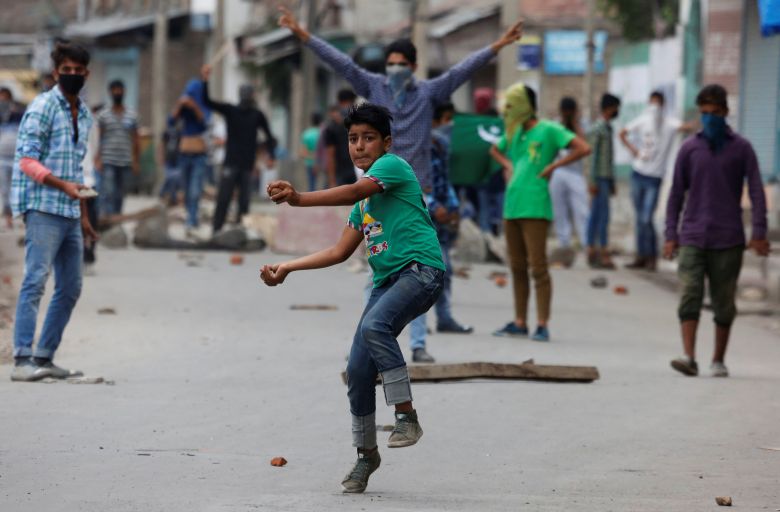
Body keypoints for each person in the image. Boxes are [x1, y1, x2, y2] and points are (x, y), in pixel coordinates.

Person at [260, 103, 445, 494]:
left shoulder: (393, 167)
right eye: (353, 139)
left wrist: (299, 198)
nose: (359, 146)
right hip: (387, 283)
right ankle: (366, 456)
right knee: (358, 371)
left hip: (421, 271)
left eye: (368, 138)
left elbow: (355, 188)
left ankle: (406, 415)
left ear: (386, 143)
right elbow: (338, 252)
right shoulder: (363, 207)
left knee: (377, 325)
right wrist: (288, 267)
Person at [278, 5, 523, 189]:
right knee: (382, 248)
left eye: (402, 64)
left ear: (414, 67)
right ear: (385, 66)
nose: (396, 69)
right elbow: (342, 64)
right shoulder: (374, 86)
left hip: (416, 186)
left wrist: (499, 45)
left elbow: (462, 70)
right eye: (391, 64)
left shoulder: (429, 93)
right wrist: (303, 35)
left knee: (418, 249)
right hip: (379, 182)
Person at [664, 84, 769, 378]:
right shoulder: (690, 149)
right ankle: (688, 355)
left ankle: (718, 359)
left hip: (728, 238)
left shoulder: (742, 149)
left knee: (723, 302)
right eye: (704, 113)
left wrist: (758, 232)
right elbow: (675, 195)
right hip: (693, 236)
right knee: (689, 295)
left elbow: (757, 192)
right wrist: (671, 235)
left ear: (725, 112)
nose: (709, 118)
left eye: (714, 113)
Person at [9, 41, 98, 381]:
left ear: (86, 74)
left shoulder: (85, 114)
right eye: (67, 71)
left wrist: (85, 217)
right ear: (55, 73)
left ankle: (44, 357)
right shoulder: (43, 107)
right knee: (35, 280)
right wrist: (62, 187)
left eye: (78, 71)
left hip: (71, 212)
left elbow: (77, 171)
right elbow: (27, 160)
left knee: (71, 286)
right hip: (43, 207)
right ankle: (22, 359)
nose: (73, 76)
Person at [489, 83, 590, 342]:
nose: (507, 111)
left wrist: (554, 165)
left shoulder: (549, 129)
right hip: (512, 205)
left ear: (524, 105)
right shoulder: (513, 132)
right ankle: (520, 321)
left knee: (538, 267)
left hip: (536, 205)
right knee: (517, 266)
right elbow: (494, 149)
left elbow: (583, 148)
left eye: (511, 106)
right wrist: (508, 165)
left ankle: (542, 324)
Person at [408, 102, 472, 362]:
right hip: (421, 220)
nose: (449, 127)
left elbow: (445, 181)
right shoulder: (415, 148)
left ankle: (442, 319)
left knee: (444, 270)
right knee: (423, 276)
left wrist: (453, 207)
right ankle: (414, 342)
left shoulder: (442, 147)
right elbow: (411, 184)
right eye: (446, 120)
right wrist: (433, 206)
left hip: (441, 221)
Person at [200, 64, 276, 233]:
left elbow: (270, 137)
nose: (247, 96)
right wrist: (205, 80)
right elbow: (207, 102)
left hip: (247, 165)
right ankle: (216, 230)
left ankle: (242, 230)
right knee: (224, 198)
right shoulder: (230, 110)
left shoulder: (257, 114)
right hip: (231, 163)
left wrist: (271, 155)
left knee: (244, 201)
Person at [620, 91, 690, 271]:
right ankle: (641, 256)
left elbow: (687, 127)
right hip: (638, 173)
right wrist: (634, 151)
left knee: (646, 217)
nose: (655, 107)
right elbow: (622, 133)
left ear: (663, 105)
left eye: (658, 103)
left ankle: (651, 256)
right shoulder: (643, 120)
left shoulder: (669, 123)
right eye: (652, 103)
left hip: (655, 177)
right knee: (639, 219)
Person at [549, 97, 589, 261]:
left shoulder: (582, 124)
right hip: (558, 170)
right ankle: (563, 243)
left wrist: (574, 123)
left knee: (582, 210)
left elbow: (584, 144)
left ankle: (585, 242)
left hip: (575, 173)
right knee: (559, 209)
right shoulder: (555, 124)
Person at [585, 93, 621, 270]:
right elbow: (592, 157)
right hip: (598, 178)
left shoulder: (607, 128)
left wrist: (612, 181)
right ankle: (599, 252)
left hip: (605, 178)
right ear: (609, 108)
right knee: (600, 217)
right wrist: (591, 181)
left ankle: (594, 250)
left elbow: (609, 158)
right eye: (616, 108)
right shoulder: (598, 128)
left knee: (599, 216)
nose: (617, 111)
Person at [171, 75, 210, 236]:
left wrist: (194, 106)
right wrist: (180, 106)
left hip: (199, 155)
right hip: (184, 154)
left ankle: (192, 219)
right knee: (186, 189)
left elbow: (204, 123)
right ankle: (189, 215)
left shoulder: (203, 106)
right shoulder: (183, 109)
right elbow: (170, 122)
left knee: (195, 190)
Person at [95, 79, 140, 218]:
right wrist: (98, 159)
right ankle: (107, 217)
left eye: (119, 90)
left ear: (124, 92)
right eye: (114, 90)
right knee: (108, 190)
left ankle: (117, 217)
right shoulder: (103, 115)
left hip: (125, 160)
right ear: (110, 92)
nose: (117, 93)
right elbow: (99, 139)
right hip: (108, 159)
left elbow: (135, 139)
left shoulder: (132, 115)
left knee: (120, 193)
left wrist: (136, 160)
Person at [323, 89, 358, 187]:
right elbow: (331, 155)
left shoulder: (332, 126)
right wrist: (332, 180)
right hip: (343, 173)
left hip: (348, 171)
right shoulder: (334, 126)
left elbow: (330, 155)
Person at [0, 87, 24, 229]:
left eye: (5, 98)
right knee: (5, 189)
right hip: (2, 158)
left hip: (18, 158)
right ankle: (8, 216)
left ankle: (19, 212)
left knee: (18, 187)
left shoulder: (19, 113)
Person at [159, 115, 182, 206]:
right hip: (169, 159)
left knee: (176, 179)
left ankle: (172, 197)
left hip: (178, 160)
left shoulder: (180, 133)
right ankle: (164, 194)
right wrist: (161, 157)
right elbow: (162, 145)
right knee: (169, 178)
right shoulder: (166, 133)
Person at [300, 112, 322, 191]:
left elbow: (302, 153)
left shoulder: (306, 134)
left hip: (309, 163)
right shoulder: (323, 133)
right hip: (322, 163)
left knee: (311, 185)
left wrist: (312, 158)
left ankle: (312, 201)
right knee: (324, 186)